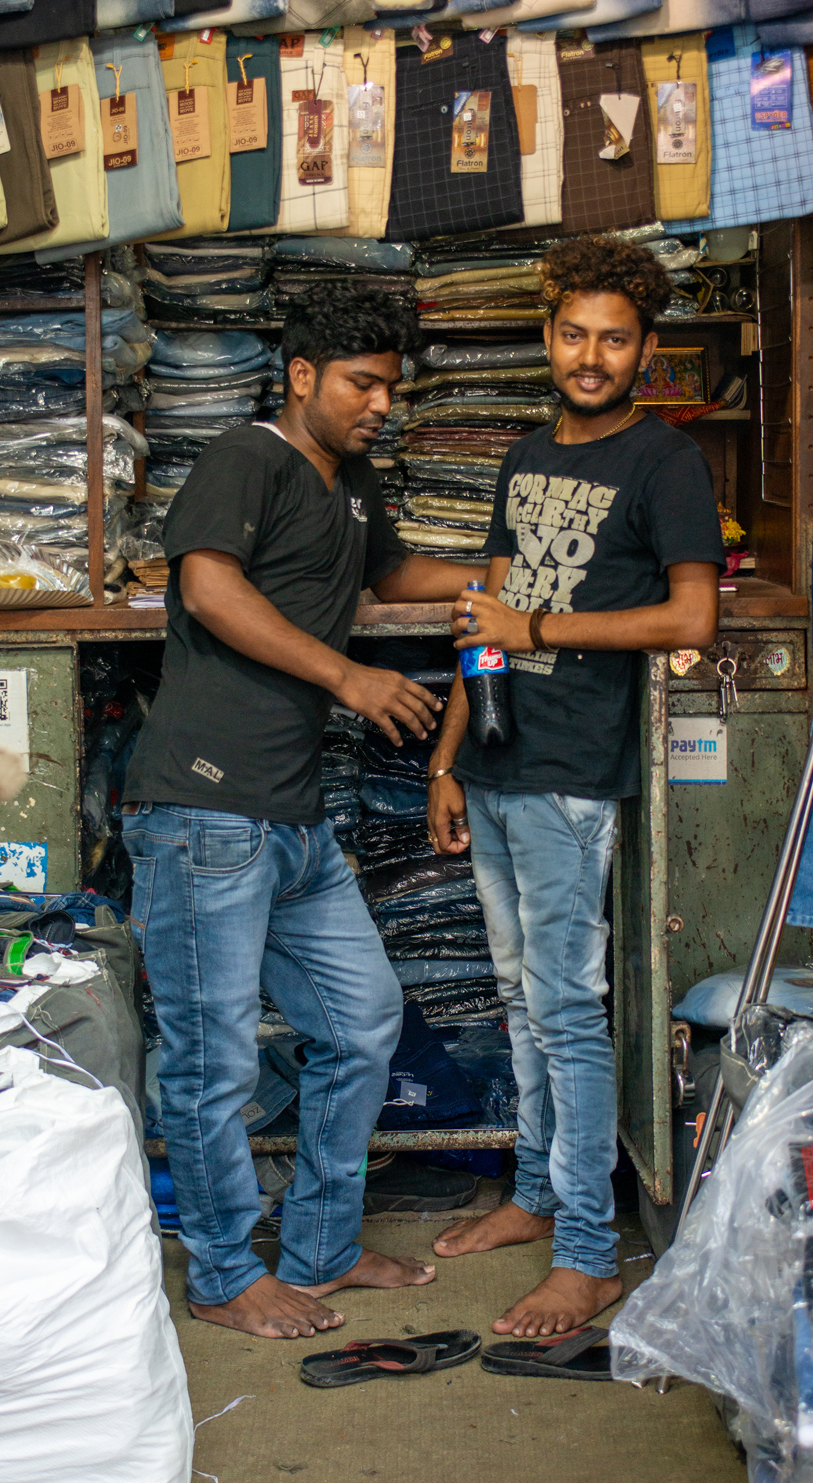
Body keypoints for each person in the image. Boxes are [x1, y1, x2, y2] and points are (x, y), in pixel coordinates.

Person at [122, 285, 479, 1340]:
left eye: (388, 389)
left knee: (363, 1022)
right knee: (213, 1057)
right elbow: (206, 590)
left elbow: (392, 573)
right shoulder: (247, 458)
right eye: (361, 385)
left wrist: (494, 574)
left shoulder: (354, 482)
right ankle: (226, 1274)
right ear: (301, 377)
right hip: (206, 809)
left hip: (292, 822)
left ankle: (319, 1246)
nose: (379, 406)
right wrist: (350, 679)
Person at [426, 236, 726, 1338]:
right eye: (572, 334)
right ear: (546, 338)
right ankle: (539, 1196)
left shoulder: (664, 462)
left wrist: (537, 626)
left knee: (563, 1008)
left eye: (613, 338)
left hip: (568, 771)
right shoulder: (518, 457)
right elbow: (482, 622)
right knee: (519, 1000)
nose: (589, 355)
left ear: (645, 351)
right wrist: (448, 756)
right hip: (498, 759)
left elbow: (691, 619)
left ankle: (588, 1255)